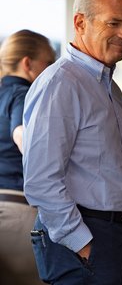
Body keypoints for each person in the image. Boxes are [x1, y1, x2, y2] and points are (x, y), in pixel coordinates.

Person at [22, 0, 122, 285]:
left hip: (107, 234)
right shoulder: (61, 83)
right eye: (114, 23)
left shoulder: (109, 87)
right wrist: (83, 244)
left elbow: (95, 169)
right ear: (80, 23)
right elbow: (41, 181)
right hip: (82, 239)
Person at [0, 29, 55, 285]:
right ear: (27, 63)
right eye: (48, 63)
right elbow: (22, 135)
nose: (52, 71)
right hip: (19, 214)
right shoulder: (23, 95)